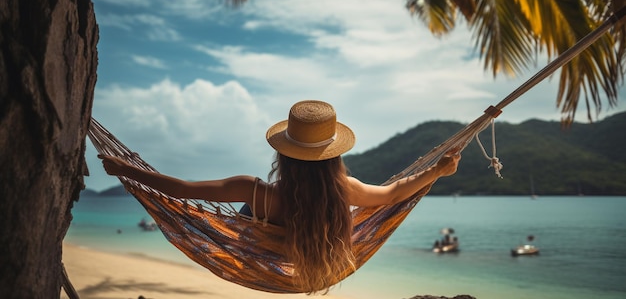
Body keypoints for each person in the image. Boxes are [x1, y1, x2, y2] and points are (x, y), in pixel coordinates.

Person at [98, 99, 461, 294]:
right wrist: (437, 171)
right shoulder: (345, 191)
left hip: (260, 253)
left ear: (283, 154)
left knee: (243, 214)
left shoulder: (253, 192)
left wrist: (126, 170)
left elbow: (181, 190)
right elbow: (394, 193)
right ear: (334, 155)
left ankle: (250, 231)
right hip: (315, 257)